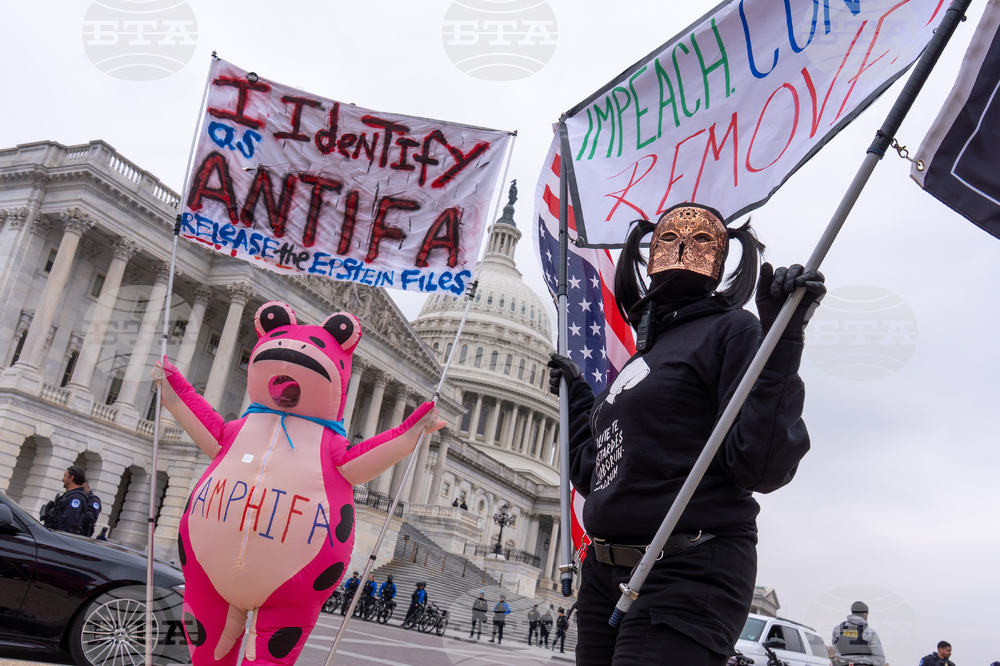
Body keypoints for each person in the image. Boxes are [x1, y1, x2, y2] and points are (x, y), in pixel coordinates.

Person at [549, 203, 825, 666]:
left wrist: (782, 342)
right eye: (669, 237)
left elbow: (760, 465)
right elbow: (596, 475)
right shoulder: (636, 363)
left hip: (686, 568)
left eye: (701, 240)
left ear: (723, 259)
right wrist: (577, 397)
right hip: (604, 575)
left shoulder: (733, 330)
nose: (682, 245)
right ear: (646, 250)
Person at [832, 601, 885, 666]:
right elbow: (879, 659)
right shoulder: (870, 632)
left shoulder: (838, 629)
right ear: (865, 614)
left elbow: (835, 649)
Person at [42, 466, 92, 534]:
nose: (62, 479)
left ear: (71, 478)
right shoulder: (69, 496)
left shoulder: (76, 498)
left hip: (59, 538)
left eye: (65, 476)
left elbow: (68, 523)